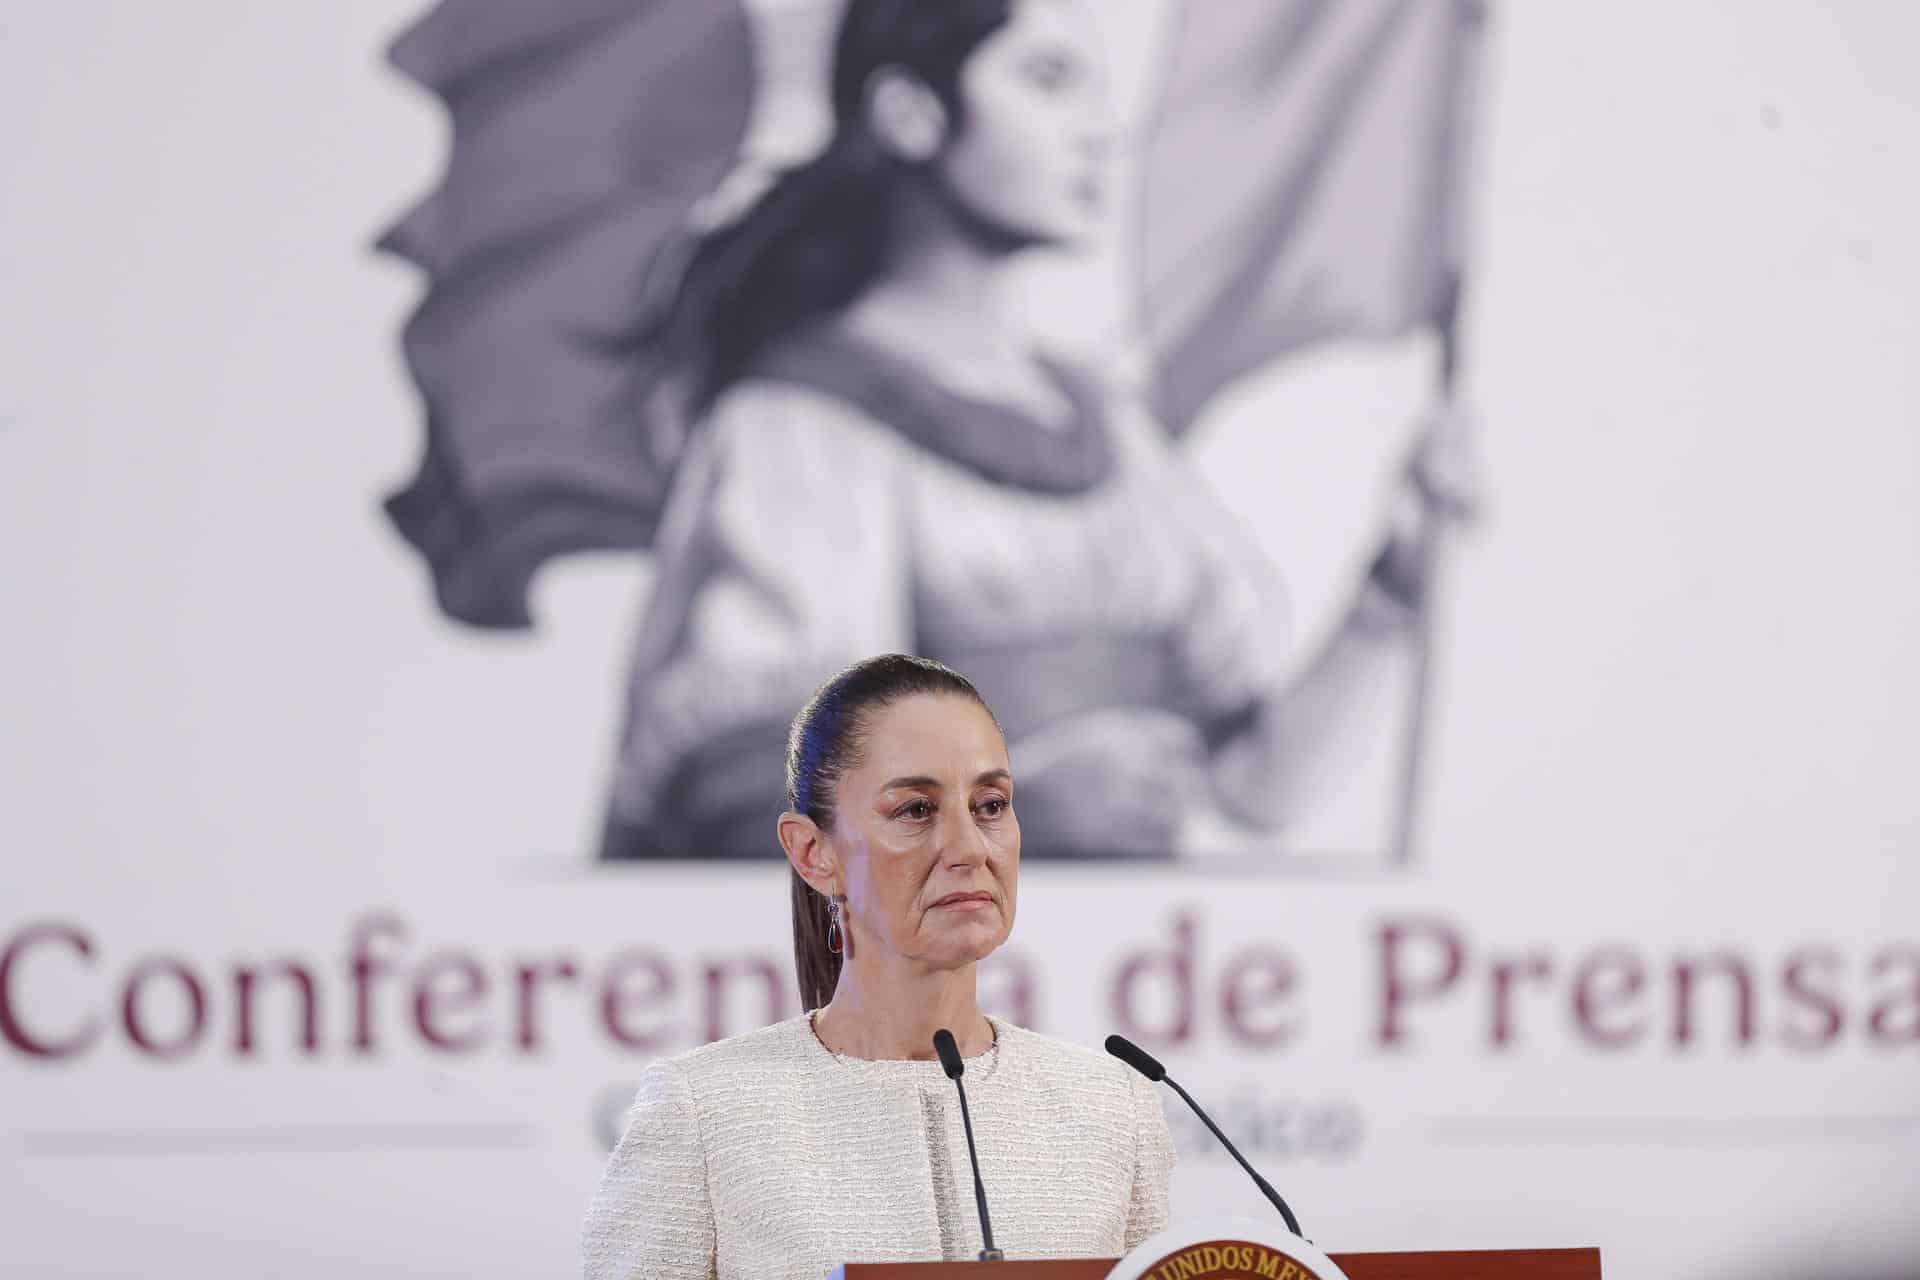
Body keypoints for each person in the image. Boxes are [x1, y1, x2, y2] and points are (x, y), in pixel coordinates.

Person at [599, 0, 1472, 861]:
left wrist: (1389, 593)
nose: (1097, 131)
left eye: (1093, 89)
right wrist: (1012, 814)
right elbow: (740, 798)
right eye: (1048, 80)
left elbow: (1252, 787)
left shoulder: (1111, 434)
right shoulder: (795, 430)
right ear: (913, 112)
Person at [582, 654, 1174, 1278]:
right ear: (813, 853)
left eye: (991, 805)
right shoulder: (702, 1112)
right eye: (916, 810)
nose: (969, 848)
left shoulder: (1113, 1106)